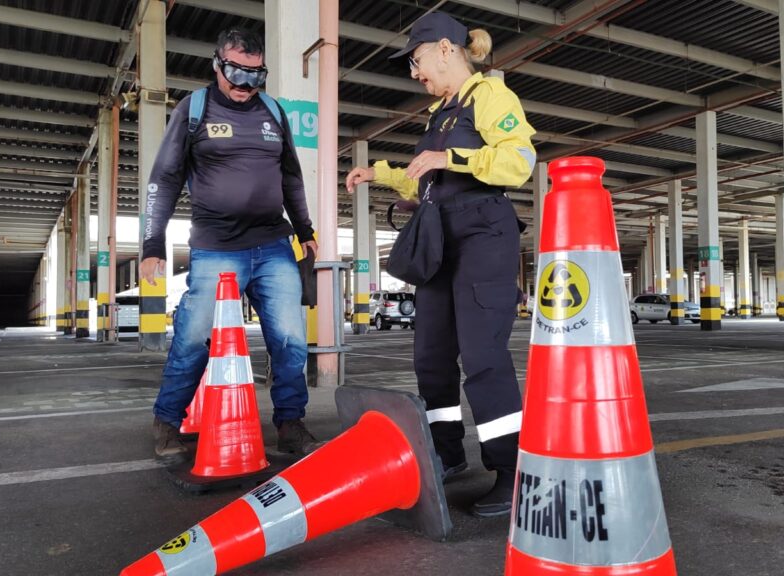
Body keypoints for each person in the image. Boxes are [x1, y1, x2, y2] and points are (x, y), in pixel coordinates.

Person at [346, 12, 536, 517]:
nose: (414, 72)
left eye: (416, 59)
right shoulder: (439, 114)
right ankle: (446, 453)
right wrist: (379, 174)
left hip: (483, 234)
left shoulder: (490, 96)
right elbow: (423, 179)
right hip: (439, 242)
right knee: (431, 357)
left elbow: (519, 162)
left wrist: (451, 159)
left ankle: (510, 470)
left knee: (482, 357)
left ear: (446, 49)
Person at [142, 27, 320, 462]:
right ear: (217, 64)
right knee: (193, 337)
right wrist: (152, 244)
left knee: (291, 339)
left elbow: (291, 177)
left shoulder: (274, 113)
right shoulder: (194, 109)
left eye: (256, 76)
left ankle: (291, 424)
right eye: (236, 74)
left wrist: (305, 231)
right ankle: (167, 422)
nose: (245, 86)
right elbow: (163, 179)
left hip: (273, 245)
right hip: (216, 247)